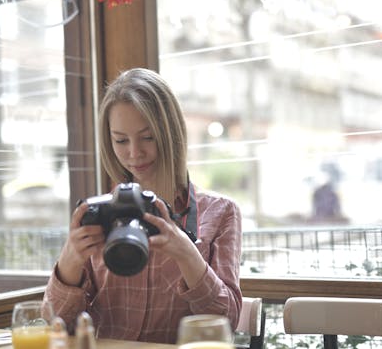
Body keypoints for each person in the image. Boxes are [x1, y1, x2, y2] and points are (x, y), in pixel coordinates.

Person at [44, 68, 243, 344]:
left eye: (147, 137)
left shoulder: (220, 213)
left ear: (169, 133)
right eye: (121, 141)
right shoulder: (100, 215)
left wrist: (187, 254)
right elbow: (55, 324)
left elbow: (226, 322)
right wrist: (70, 261)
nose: (134, 153)